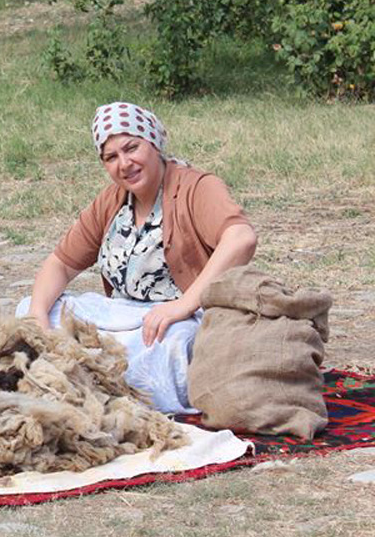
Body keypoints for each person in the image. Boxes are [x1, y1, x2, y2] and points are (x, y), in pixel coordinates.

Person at [17, 102, 258, 413]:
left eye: (132, 148)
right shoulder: (112, 200)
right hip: (126, 318)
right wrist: (38, 317)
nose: (124, 163)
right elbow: (60, 264)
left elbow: (241, 238)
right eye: (111, 157)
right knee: (31, 306)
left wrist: (181, 306)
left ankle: (96, 379)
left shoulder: (197, 187)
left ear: (153, 142)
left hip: (181, 319)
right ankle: (96, 374)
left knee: (173, 343)